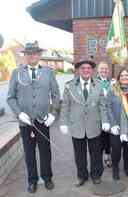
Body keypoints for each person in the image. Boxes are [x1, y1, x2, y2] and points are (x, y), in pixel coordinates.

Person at [7, 41, 60, 193]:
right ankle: (32, 180)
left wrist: (53, 113)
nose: (32, 56)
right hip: (26, 122)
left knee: (45, 151)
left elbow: (56, 95)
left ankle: (47, 177)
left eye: (35, 53)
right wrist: (19, 113)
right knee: (29, 153)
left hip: (43, 120)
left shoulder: (49, 72)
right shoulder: (17, 73)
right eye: (29, 53)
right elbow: (10, 97)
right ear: (25, 56)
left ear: (39, 55)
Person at [60, 60, 110, 187]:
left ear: (92, 70)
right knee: (79, 154)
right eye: (83, 68)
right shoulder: (69, 86)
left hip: (94, 125)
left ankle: (96, 175)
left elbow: (102, 106)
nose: (86, 70)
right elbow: (65, 105)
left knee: (96, 153)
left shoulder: (99, 85)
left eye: (88, 68)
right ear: (78, 70)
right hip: (77, 125)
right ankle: (82, 176)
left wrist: (105, 121)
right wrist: (63, 123)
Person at [110, 67, 128, 177]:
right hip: (116, 126)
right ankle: (115, 168)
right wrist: (112, 124)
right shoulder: (113, 90)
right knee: (116, 149)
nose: (124, 77)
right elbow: (107, 107)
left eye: (126, 75)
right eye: (122, 75)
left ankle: (127, 168)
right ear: (119, 78)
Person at [96, 62, 113, 168]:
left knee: (107, 136)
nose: (104, 70)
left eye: (106, 69)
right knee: (98, 137)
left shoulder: (112, 82)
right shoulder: (94, 82)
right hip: (98, 114)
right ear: (98, 70)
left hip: (109, 114)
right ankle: (97, 158)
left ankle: (107, 156)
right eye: (102, 69)